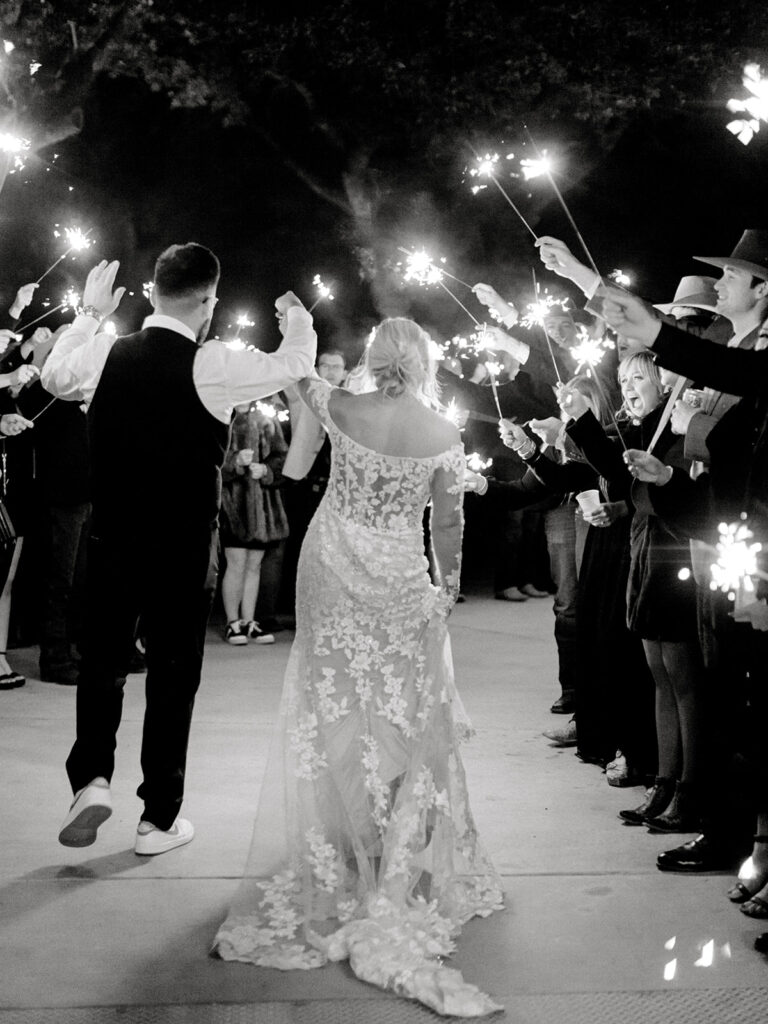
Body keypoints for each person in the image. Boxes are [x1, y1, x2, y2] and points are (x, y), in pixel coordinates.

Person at [213, 318, 503, 1016]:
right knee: (400, 708)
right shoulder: (443, 435)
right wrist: (448, 589)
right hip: (402, 574)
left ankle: (346, 847)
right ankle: (385, 847)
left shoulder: (340, 403)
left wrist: (299, 329)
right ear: (427, 361)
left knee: (332, 703)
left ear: (373, 360)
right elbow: (448, 526)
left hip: (333, 565)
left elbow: (295, 371)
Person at [42, 248, 317, 855]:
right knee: (172, 675)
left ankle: (91, 779)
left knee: (103, 663)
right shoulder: (213, 363)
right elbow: (294, 362)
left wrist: (90, 314)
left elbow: (53, 377)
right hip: (182, 548)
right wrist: (297, 316)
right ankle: (157, 819)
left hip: (111, 537)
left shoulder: (105, 353)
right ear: (208, 302)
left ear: (153, 291)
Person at [220, 399, 289, 645]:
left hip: (263, 505)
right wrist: (234, 462)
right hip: (233, 504)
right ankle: (232, 621)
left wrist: (267, 470)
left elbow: (281, 455)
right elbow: (210, 456)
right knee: (236, 562)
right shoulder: (223, 413)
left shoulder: (265, 418)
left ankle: (250, 620)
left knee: (254, 564)